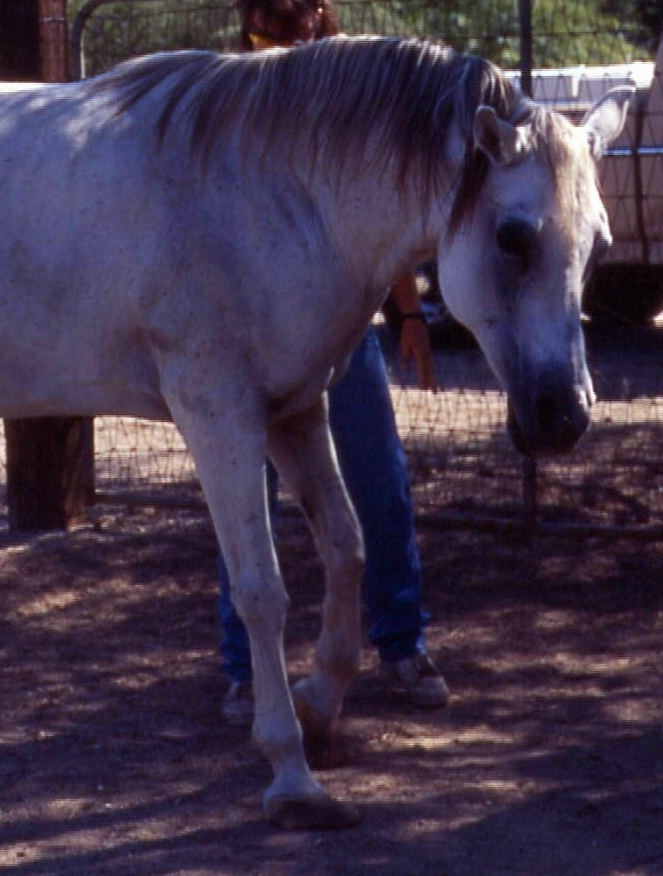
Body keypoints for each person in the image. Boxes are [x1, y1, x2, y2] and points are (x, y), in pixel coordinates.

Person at [219, 0, 450, 727]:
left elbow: (376, 215)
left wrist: (407, 315)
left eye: (295, 9)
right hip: (245, 332)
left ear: (320, 11)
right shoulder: (230, 91)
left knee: (377, 481)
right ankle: (244, 669)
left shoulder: (352, 94)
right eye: (263, 10)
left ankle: (401, 642)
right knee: (238, 495)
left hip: (341, 329)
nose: (281, 20)